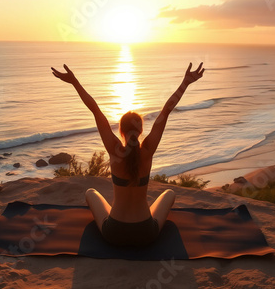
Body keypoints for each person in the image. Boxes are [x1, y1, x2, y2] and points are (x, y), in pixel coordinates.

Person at [51, 61, 204, 246]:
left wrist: (75, 82)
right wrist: (185, 83)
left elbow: (95, 110)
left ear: (121, 131)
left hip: (114, 232)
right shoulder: (147, 151)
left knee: (91, 192)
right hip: (146, 233)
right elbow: (167, 110)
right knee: (169, 193)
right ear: (141, 131)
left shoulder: (114, 150)